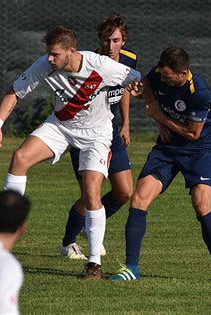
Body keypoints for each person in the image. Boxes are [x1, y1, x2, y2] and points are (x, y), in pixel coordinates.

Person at [0, 26, 141, 279]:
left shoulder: (100, 64)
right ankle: (5, 230)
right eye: (48, 53)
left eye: (55, 54)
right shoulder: (45, 65)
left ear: (71, 52)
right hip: (61, 126)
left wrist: (139, 90)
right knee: (20, 158)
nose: (50, 58)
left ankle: (93, 264)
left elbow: (136, 79)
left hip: (96, 135)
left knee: (92, 192)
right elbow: (14, 91)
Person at [109, 47, 211, 283]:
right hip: (167, 148)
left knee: (202, 205)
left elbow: (193, 134)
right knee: (139, 198)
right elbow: (146, 83)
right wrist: (157, 119)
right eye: (161, 74)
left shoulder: (199, 92)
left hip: (198, 149)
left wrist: (159, 117)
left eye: (167, 76)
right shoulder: (159, 73)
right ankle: (132, 267)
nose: (162, 78)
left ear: (183, 74)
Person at [60, 14, 138, 260]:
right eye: (106, 40)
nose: (110, 46)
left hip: (111, 132)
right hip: (86, 133)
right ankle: (69, 242)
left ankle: (87, 226)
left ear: (123, 41)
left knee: (125, 192)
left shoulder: (129, 60)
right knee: (90, 193)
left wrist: (125, 123)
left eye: (115, 40)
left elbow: (125, 85)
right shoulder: (90, 62)